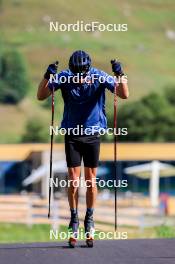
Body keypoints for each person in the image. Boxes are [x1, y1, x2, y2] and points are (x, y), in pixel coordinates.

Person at [37, 50, 129, 247]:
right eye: (76, 73)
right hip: (72, 132)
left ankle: (89, 218)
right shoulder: (64, 77)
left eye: (83, 73)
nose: (79, 77)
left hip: (93, 134)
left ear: (88, 69)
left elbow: (124, 94)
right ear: (71, 70)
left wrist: (120, 75)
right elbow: (41, 95)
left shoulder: (98, 75)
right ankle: (73, 218)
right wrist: (47, 75)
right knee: (73, 178)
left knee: (90, 180)